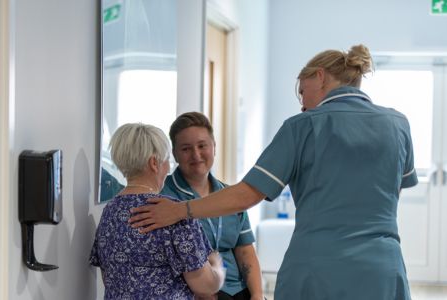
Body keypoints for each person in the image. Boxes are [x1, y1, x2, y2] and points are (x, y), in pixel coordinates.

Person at [128, 44, 418, 300]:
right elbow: (391, 189)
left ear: (319, 76)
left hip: (318, 270)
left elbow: (246, 195)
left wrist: (180, 211)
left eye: (302, 91)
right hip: (383, 269)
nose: (302, 103)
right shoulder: (398, 124)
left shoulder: (302, 127)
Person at [89, 123, 225, 299]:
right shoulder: (174, 212)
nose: (168, 167)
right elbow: (204, 285)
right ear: (154, 163)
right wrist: (218, 270)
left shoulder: (109, 211)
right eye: (167, 160)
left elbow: (109, 278)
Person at [161, 112, 263, 300]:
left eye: (202, 146)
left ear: (214, 147)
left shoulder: (231, 196)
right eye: (186, 149)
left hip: (236, 289)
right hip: (193, 292)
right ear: (174, 153)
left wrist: (257, 295)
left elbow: (245, 251)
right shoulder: (164, 197)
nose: (196, 155)